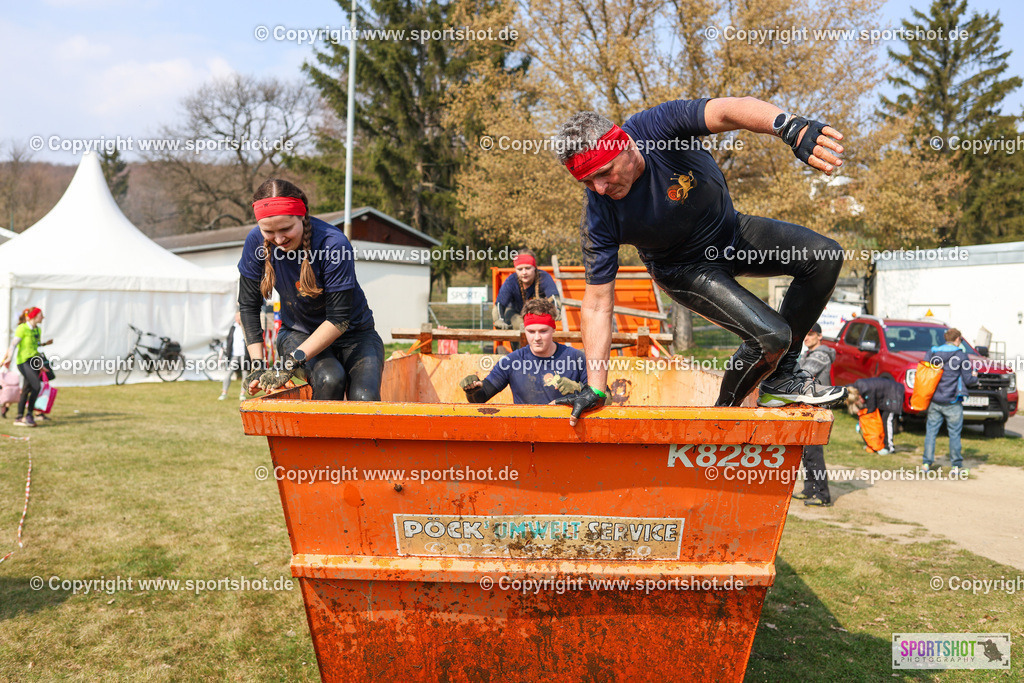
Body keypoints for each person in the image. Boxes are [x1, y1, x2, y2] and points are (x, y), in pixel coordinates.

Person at [550, 98, 848, 425]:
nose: (600, 188)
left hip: (731, 233)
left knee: (824, 256)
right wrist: (595, 388)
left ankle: (782, 379)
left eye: (604, 173)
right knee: (772, 337)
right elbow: (596, 305)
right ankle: (721, 421)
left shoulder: (657, 128)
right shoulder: (599, 214)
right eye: (588, 182)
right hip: (684, 271)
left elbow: (727, 110)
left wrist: (791, 128)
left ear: (625, 145)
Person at [237, 178, 384, 400]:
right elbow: (248, 306)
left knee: (365, 398)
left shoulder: (333, 243)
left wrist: (289, 363)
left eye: (286, 229)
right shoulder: (255, 241)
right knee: (330, 379)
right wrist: (257, 365)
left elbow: (338, 319)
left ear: (302, 216)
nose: (278, 239)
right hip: (299, 332)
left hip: (355, 334)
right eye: (268, 231)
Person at [461, 298, 587, 404]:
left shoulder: (576, 358)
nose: (537, 338)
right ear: (525, 330)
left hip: (567, 430)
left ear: (553, 329)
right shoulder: (512, 361)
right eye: (531, 332)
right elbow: (482, 396)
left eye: (543, 331)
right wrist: (473, 390)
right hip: (525, 431)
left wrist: (579, 388)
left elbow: (604, 398)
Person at [922, 328, 978, 474]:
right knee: (954, 434)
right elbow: (968, 380)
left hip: (935, 399)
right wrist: (975, 376)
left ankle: (926, 464)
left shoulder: (933, 352)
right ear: (958, 339)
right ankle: (956, 466)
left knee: (931, 432)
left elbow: (926, 372)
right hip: (953, 401)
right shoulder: (961, 356)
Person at [793, 323, 836, 506]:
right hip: (808, 410)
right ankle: (809, 489)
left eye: (810, 334)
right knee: (806, 452)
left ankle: (822, 495)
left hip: (818, 411)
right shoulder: (807, 354)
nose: (806, 337)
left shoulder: (820, 355)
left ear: (820, 336)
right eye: (805, 334)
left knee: (814, 454)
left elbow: (802, 374)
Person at [1, 307, 53, 428]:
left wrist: (41, 364)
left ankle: (19, 417)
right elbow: (13, 345)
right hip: (24, 362)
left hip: (34, 361)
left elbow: (36, 346)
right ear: (34, 316)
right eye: (41, 315)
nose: (43, 317)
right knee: (36, 385)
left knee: (26, 388)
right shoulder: (22, 328)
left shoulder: (37, 330)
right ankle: (29, 415)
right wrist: (9, 358)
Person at [849, 376, 904, 454]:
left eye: (857, 401)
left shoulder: (866, 390)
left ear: (858, 396)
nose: (858, 403)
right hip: (885, 396)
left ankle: (889, 447)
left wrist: (863, 420)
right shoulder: (857, 387)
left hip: (893, 394)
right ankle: (880, 444)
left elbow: (871, 408)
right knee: (881, 420)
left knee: (887, 421)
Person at [219, 311, 250, 401]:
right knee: (228, 373)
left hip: (244, 355)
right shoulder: (233, 328)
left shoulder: (246, 328)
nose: (238, 319)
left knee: (245, 374)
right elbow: (229, 340)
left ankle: (242, 393)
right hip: (234, 354)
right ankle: (224, 392)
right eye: (237, 317)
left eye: (239, 317)